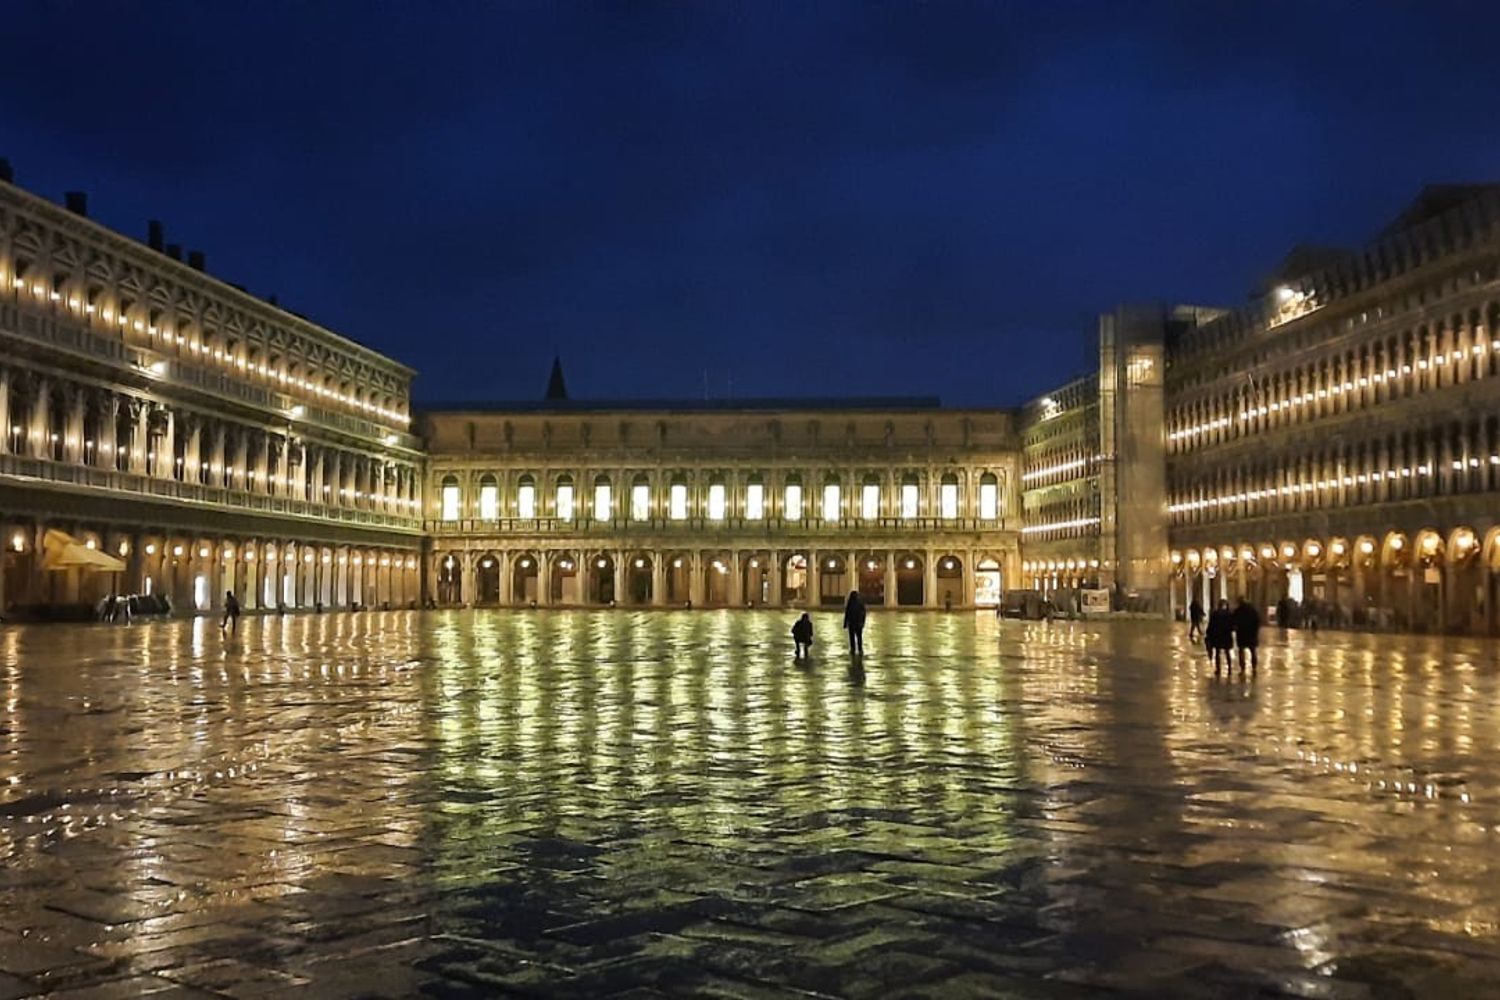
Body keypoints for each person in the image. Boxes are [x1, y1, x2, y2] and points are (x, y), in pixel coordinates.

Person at [1205, 599, 1234, 674]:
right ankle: (1229, 669)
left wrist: (1208, 633)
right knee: (1227, 652)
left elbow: (1211, 625)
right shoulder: (1229, 614)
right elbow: (1232, 625)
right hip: (1226, 635)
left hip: (1217, 635)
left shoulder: (1215, 614)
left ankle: (1218, 669)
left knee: (1217, 652)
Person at [1233, 597, 1261, 673]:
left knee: (1241, 651)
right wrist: (1256, 631)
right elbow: (1257, 621)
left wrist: (1235, 628)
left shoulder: (1238, 611)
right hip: (1251, 634)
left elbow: (1233, 621)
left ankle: (1242, 668)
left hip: (1241, 634)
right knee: (1253, 651)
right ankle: (1254, 667)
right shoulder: (1252, 610)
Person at [843, 591, 867, 655]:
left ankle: (854, 648)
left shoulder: (850, 603)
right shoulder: (859, 603)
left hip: (853, 623)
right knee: (858, 637)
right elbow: (863, 613)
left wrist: (845, 623)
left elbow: (847, 614)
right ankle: (859, 648)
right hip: (857, 623)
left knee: (853, 637)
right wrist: (863, 622)